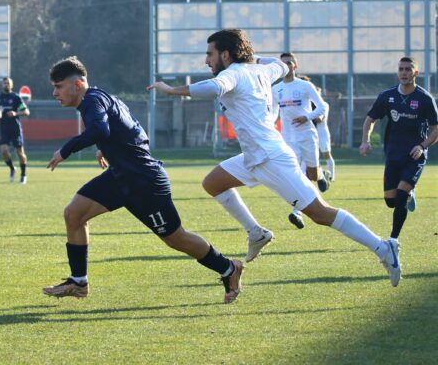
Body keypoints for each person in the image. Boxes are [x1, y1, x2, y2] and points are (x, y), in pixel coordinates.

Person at [147, 28, 402, 287]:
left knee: (320, 213)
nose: (206, 60)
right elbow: (280, 65)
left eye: (210, 54)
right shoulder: (261, 70)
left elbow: (212, 87)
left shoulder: (233, 73)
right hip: (254, 156)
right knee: (212, 182)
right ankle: (256, 233)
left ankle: (383, 248)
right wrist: (253, 57)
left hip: (271, 158)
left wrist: (170, 89)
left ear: (225, 54)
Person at [42, 56, 243, 304]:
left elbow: (100, 130)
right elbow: (135, 131)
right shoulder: (101, 99)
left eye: (58, 86)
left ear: (78, 84)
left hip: (144, 181)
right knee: (74, 214)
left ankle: (228, 268)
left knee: (175, 238)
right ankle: (78, 281)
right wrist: (108, 147)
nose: (54, 93)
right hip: (120, 177)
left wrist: (66, 150)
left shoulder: (93, 100)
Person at [359, 57, 438, 259]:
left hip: (414, 157)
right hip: (393, 156)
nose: (404, 72)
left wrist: (422, 146)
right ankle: (409, 194)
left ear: (416, 73)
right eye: (401, 69)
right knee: (391, 201)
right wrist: (365, 140)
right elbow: (370, 119)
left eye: (408, 69)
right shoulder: (388, 96)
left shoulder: (425, 99)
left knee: (401, 197)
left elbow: (435, 129)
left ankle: (393, 240)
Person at [272, 53, 331, 229]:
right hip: (288, 139)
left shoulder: (305, 85)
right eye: (283, 64)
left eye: (289, 63)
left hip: (307, 136)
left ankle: (321, 174)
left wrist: (307, 117)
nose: (287, 66)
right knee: (295, 175)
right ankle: (297, 212)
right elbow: (274, 114)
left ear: (295, 66)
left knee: (311, 173)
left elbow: (323, 106)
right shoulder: (275, 89)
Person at [0, 77, 30, 184]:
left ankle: (23, 175)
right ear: (2, 85)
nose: (6, 85)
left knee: (20, 153)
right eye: (5, 83)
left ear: (12, 85)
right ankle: (12, 168)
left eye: (8, 83)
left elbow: (26, 112)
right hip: (4, 128)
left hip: (15, 128)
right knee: (4, 151)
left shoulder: (16, 98)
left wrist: (16, 113)